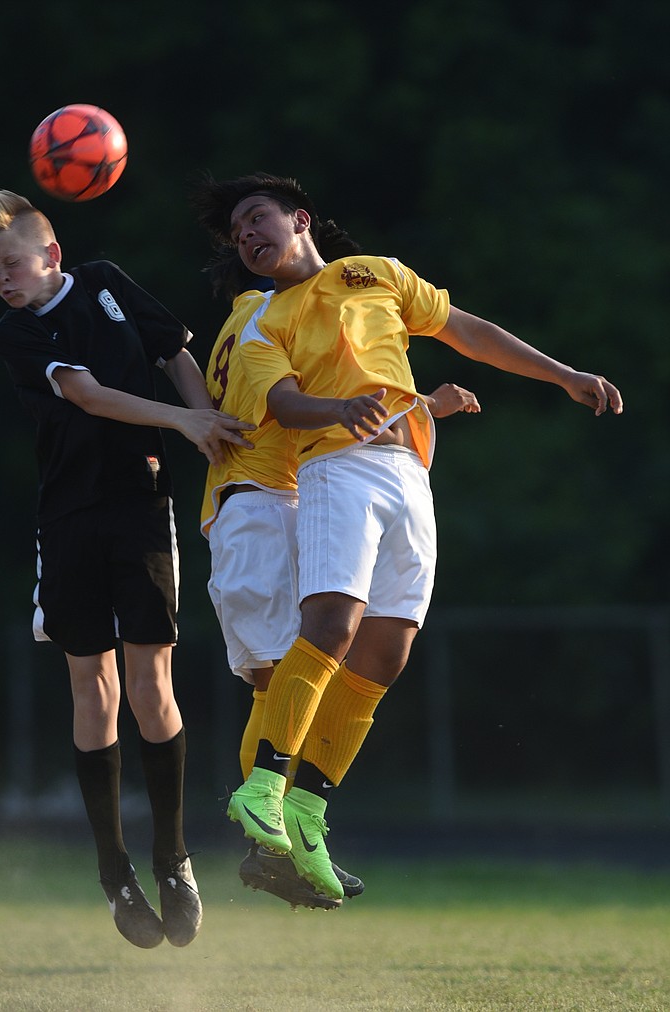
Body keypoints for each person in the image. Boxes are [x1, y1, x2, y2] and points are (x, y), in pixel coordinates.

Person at [192, 172, 624, 900]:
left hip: (408, 473)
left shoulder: (379, 275)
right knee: (326, 630)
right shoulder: (265, 317)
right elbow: (289, 407)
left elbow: (466, 330)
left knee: (386, 652)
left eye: (256, 219)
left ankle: (306, 809)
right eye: (238, 234)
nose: (247, 237)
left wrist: (561, 374)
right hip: (325, 473)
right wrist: (342, 406)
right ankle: (263, 792)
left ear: (302, 218)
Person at [0, 190, 254, 948]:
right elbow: (86, 395)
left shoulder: (106, 281)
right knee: (94, 688)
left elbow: (176, 353)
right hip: (67, 520)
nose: (1, 278)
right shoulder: (13, 332)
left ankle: (173, 858)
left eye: (10, 263)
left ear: (50, 254)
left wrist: (205, 424)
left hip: (141, 509)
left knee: (153, 684)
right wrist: (181, 419)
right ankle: (114, 871)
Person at [197, 227, 480, 909]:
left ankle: (285, 839)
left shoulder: (254, 320)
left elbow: (340, 390)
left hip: (273, 499)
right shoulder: (263, 314)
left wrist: (421, 407)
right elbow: (293, 405)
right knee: (279, 679)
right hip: (259, 501)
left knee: (295, 674)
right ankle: (271, 844)